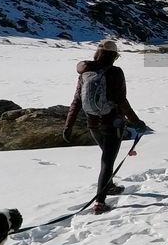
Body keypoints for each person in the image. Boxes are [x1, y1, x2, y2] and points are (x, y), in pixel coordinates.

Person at [63, 40, 147, 214]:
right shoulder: (115, 72)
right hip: (112, 125)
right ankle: (100, 202)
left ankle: (109, 186)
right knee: (107, 163)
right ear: (115, 56)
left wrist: (68, 126)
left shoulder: (85, 72)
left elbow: (76, 101)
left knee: (107, 157)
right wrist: (137, 122)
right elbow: (121, 101)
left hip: (93, 125)